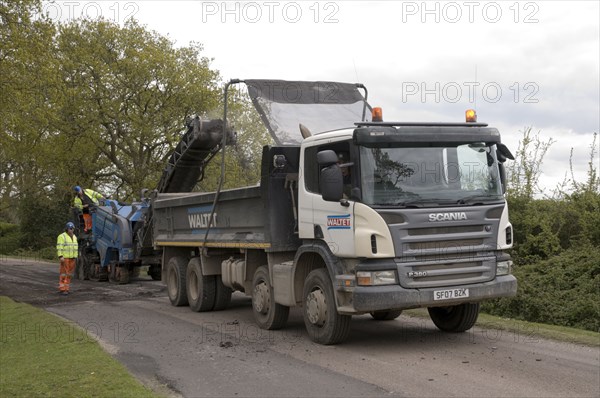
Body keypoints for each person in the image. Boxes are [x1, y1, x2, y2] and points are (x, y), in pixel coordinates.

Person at [56, 222, 78, 295]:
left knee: (69, 274)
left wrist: (75, 257)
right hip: (65, 258)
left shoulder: (74, 237)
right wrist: (60, 256)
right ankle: (62, 289)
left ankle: (67, 288)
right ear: (67, 229)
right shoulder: (62, 236)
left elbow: (75, 248)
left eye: (72, 228)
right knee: (64, 273)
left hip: (72, 258)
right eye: (70, 228)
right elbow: (59, 247)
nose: (71, 230)